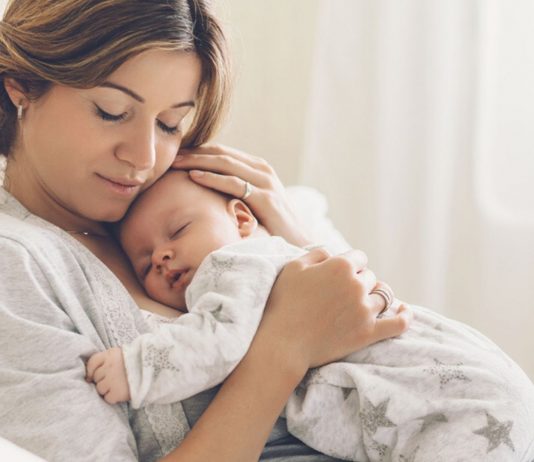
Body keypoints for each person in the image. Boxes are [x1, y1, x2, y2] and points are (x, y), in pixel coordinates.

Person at [0, 1, 412, 461]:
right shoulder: (15, 265)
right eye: (112, 111)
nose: (144, 157)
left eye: (169, 124)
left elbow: (381, 343)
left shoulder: (184, 205)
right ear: (21, 86)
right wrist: (283, 347)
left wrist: (291, 235)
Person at [86, 170, 534, 461]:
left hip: (453, 403)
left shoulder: (236, 265)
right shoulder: (287, 261)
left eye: (178, 231)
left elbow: (213, 344)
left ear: (242, 220)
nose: (162, 255)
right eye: (144, 262)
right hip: (482, 394)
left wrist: (135, 367)